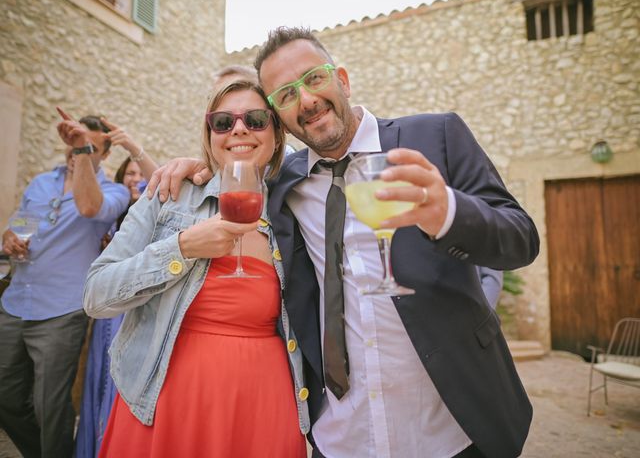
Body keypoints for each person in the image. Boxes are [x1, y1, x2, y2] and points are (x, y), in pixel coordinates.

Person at [148, 27, 540, 458]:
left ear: (343, 80)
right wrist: (196, 169)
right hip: (342, 435)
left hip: (453, 425)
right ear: (280, 116)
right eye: (286, 95)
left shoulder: (435, 136)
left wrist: (447, 212)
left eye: (314, 79)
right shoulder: (283, 184)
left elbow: (520, 238)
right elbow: (237, 164)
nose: (307, 100)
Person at [82, 74, 308, 457]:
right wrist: (182, 248)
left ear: (275, 133)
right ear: (210, 134)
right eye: (223, 122)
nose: (239, 129)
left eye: (254, 119)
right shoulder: (168, 195)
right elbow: (96, 295)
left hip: (263, 404)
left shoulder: (298, 205)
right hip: (167, 401)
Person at [0, 112, 129, 458]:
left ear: (103, 153)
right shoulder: (41, 183)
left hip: (62, 311)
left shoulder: (114, 192)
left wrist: (83, 150)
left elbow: (90, 208)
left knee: (50, 408)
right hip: (15, 302)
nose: (76, 151)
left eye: (87, 146)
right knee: (5, 397)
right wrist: (9, 238)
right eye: (73, 145)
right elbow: (20, 223)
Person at [76, 127, 159, 458]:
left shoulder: (157, 203)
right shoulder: (115, 203)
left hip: (137, 302)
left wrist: (129, 144)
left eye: (141, 173)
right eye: (131, 173)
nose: (135, 178)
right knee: (99, 376)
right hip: (109, 300)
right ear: (122, 176)